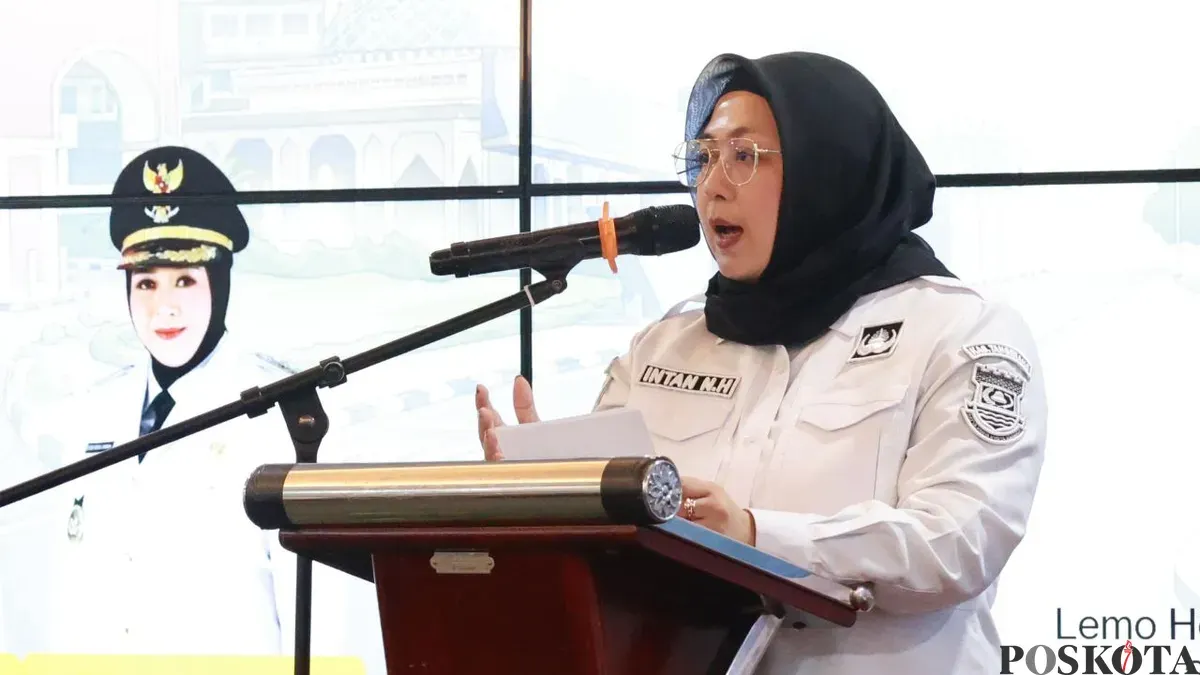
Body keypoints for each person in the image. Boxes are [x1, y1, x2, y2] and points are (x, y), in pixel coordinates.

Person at [476, 52, 1047, 674]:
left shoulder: (959, 329)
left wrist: (754, 536)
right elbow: (619, 548)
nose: (712, 185)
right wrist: (549, 494)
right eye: (704, 157)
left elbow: (958, 542)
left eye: (744, 156)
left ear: (827, 170)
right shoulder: (664, 344)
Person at [39, 146, 301, 656]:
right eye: (145, 283)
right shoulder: (90, 413)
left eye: (184, 280)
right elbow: (68, 597)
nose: (164, 307)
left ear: (221, 282)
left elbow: (317, 616)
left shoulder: (281, 418)